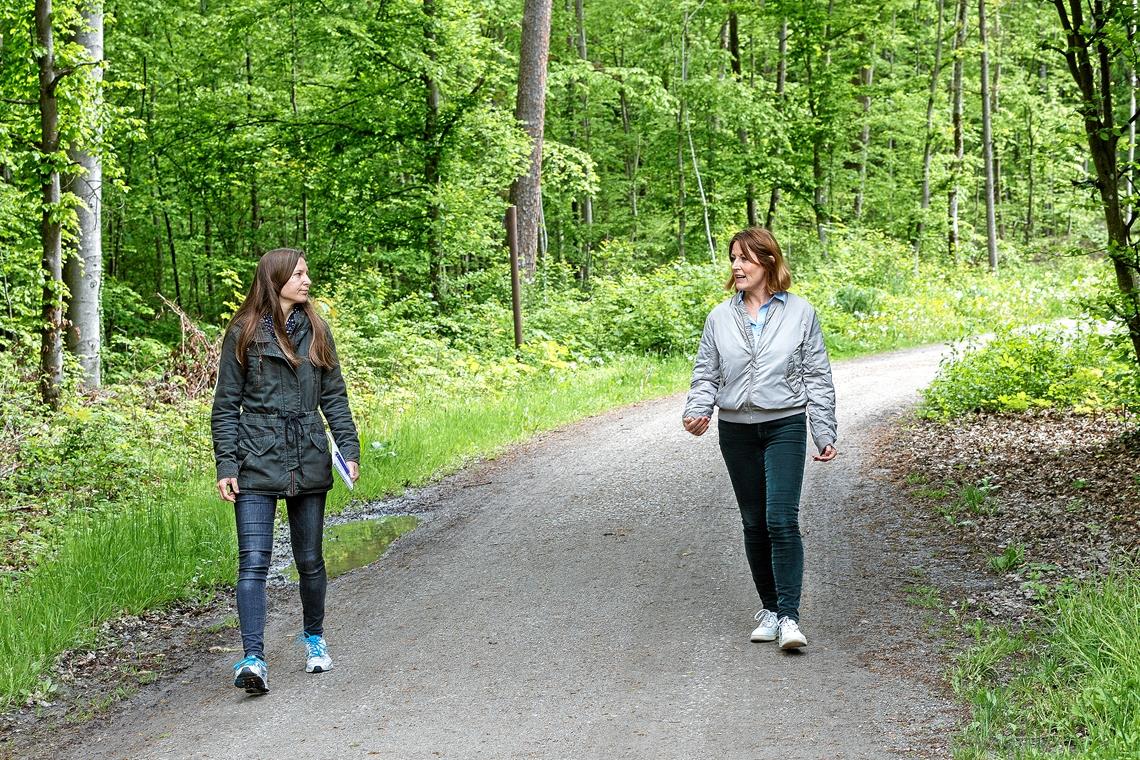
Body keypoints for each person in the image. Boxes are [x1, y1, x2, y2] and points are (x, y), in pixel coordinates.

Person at [211, 248, 361, 694]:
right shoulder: (243, 333)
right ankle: (253, 659)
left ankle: (314, 639)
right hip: (255, 458)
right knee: (253, 562)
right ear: (275, 279)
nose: (306, 280)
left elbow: (334, 396)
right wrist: (226, 463)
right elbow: (225, 407)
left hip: (309, 455)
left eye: (307, 273)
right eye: (298, 274)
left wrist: (348, 447)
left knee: (310, 560)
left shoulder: (317, 328)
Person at [682, 227, 837, 651]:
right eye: (733, 258)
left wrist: (823, 431)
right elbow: (706, 373)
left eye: (745, 258)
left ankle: (789, 617)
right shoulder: (719, 317)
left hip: (784, 423)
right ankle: (770, 610)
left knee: (780, 518)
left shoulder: (800, 313)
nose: (736, 266)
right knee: (753, 522)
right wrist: (697, 410)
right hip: (736, 430)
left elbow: (817, 375)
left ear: (768, 262)